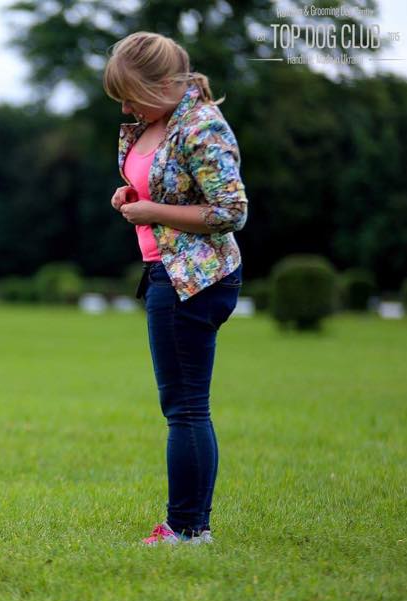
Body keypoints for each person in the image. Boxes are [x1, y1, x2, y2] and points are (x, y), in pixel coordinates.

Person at [104, 32, 247, 545]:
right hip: (167, 273)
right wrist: (132, 194)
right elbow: (165, 183)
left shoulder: (200, 124)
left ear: (165, 83)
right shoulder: (155, 119)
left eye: (131, 93)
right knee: (185, 406)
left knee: (185, 409)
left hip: (194, 280)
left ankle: (187, 529)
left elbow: (231, 210)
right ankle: (191, 525)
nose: (125, 105)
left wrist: (152, 211)